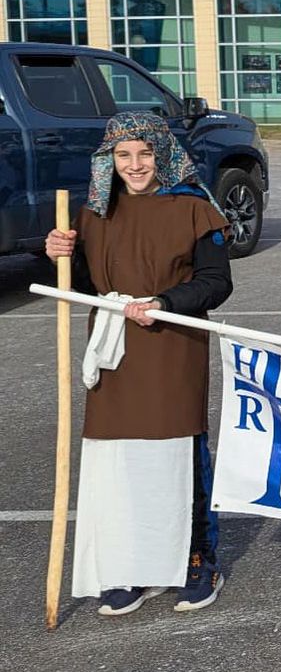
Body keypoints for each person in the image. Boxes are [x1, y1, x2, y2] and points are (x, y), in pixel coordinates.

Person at [44, 112, 234, 617]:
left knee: (178, 453)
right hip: (113, 348)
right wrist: (60, 253)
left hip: (171, 341)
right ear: (108, 159)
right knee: (120, 460)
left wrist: (165, 303)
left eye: (145, 154)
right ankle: (132, 566)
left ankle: (198, 561)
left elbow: (216, 282)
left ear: (163, 154)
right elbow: (86, 285)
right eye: (123, 156)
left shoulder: (194, 206)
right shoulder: (94, 211)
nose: (135, 165)